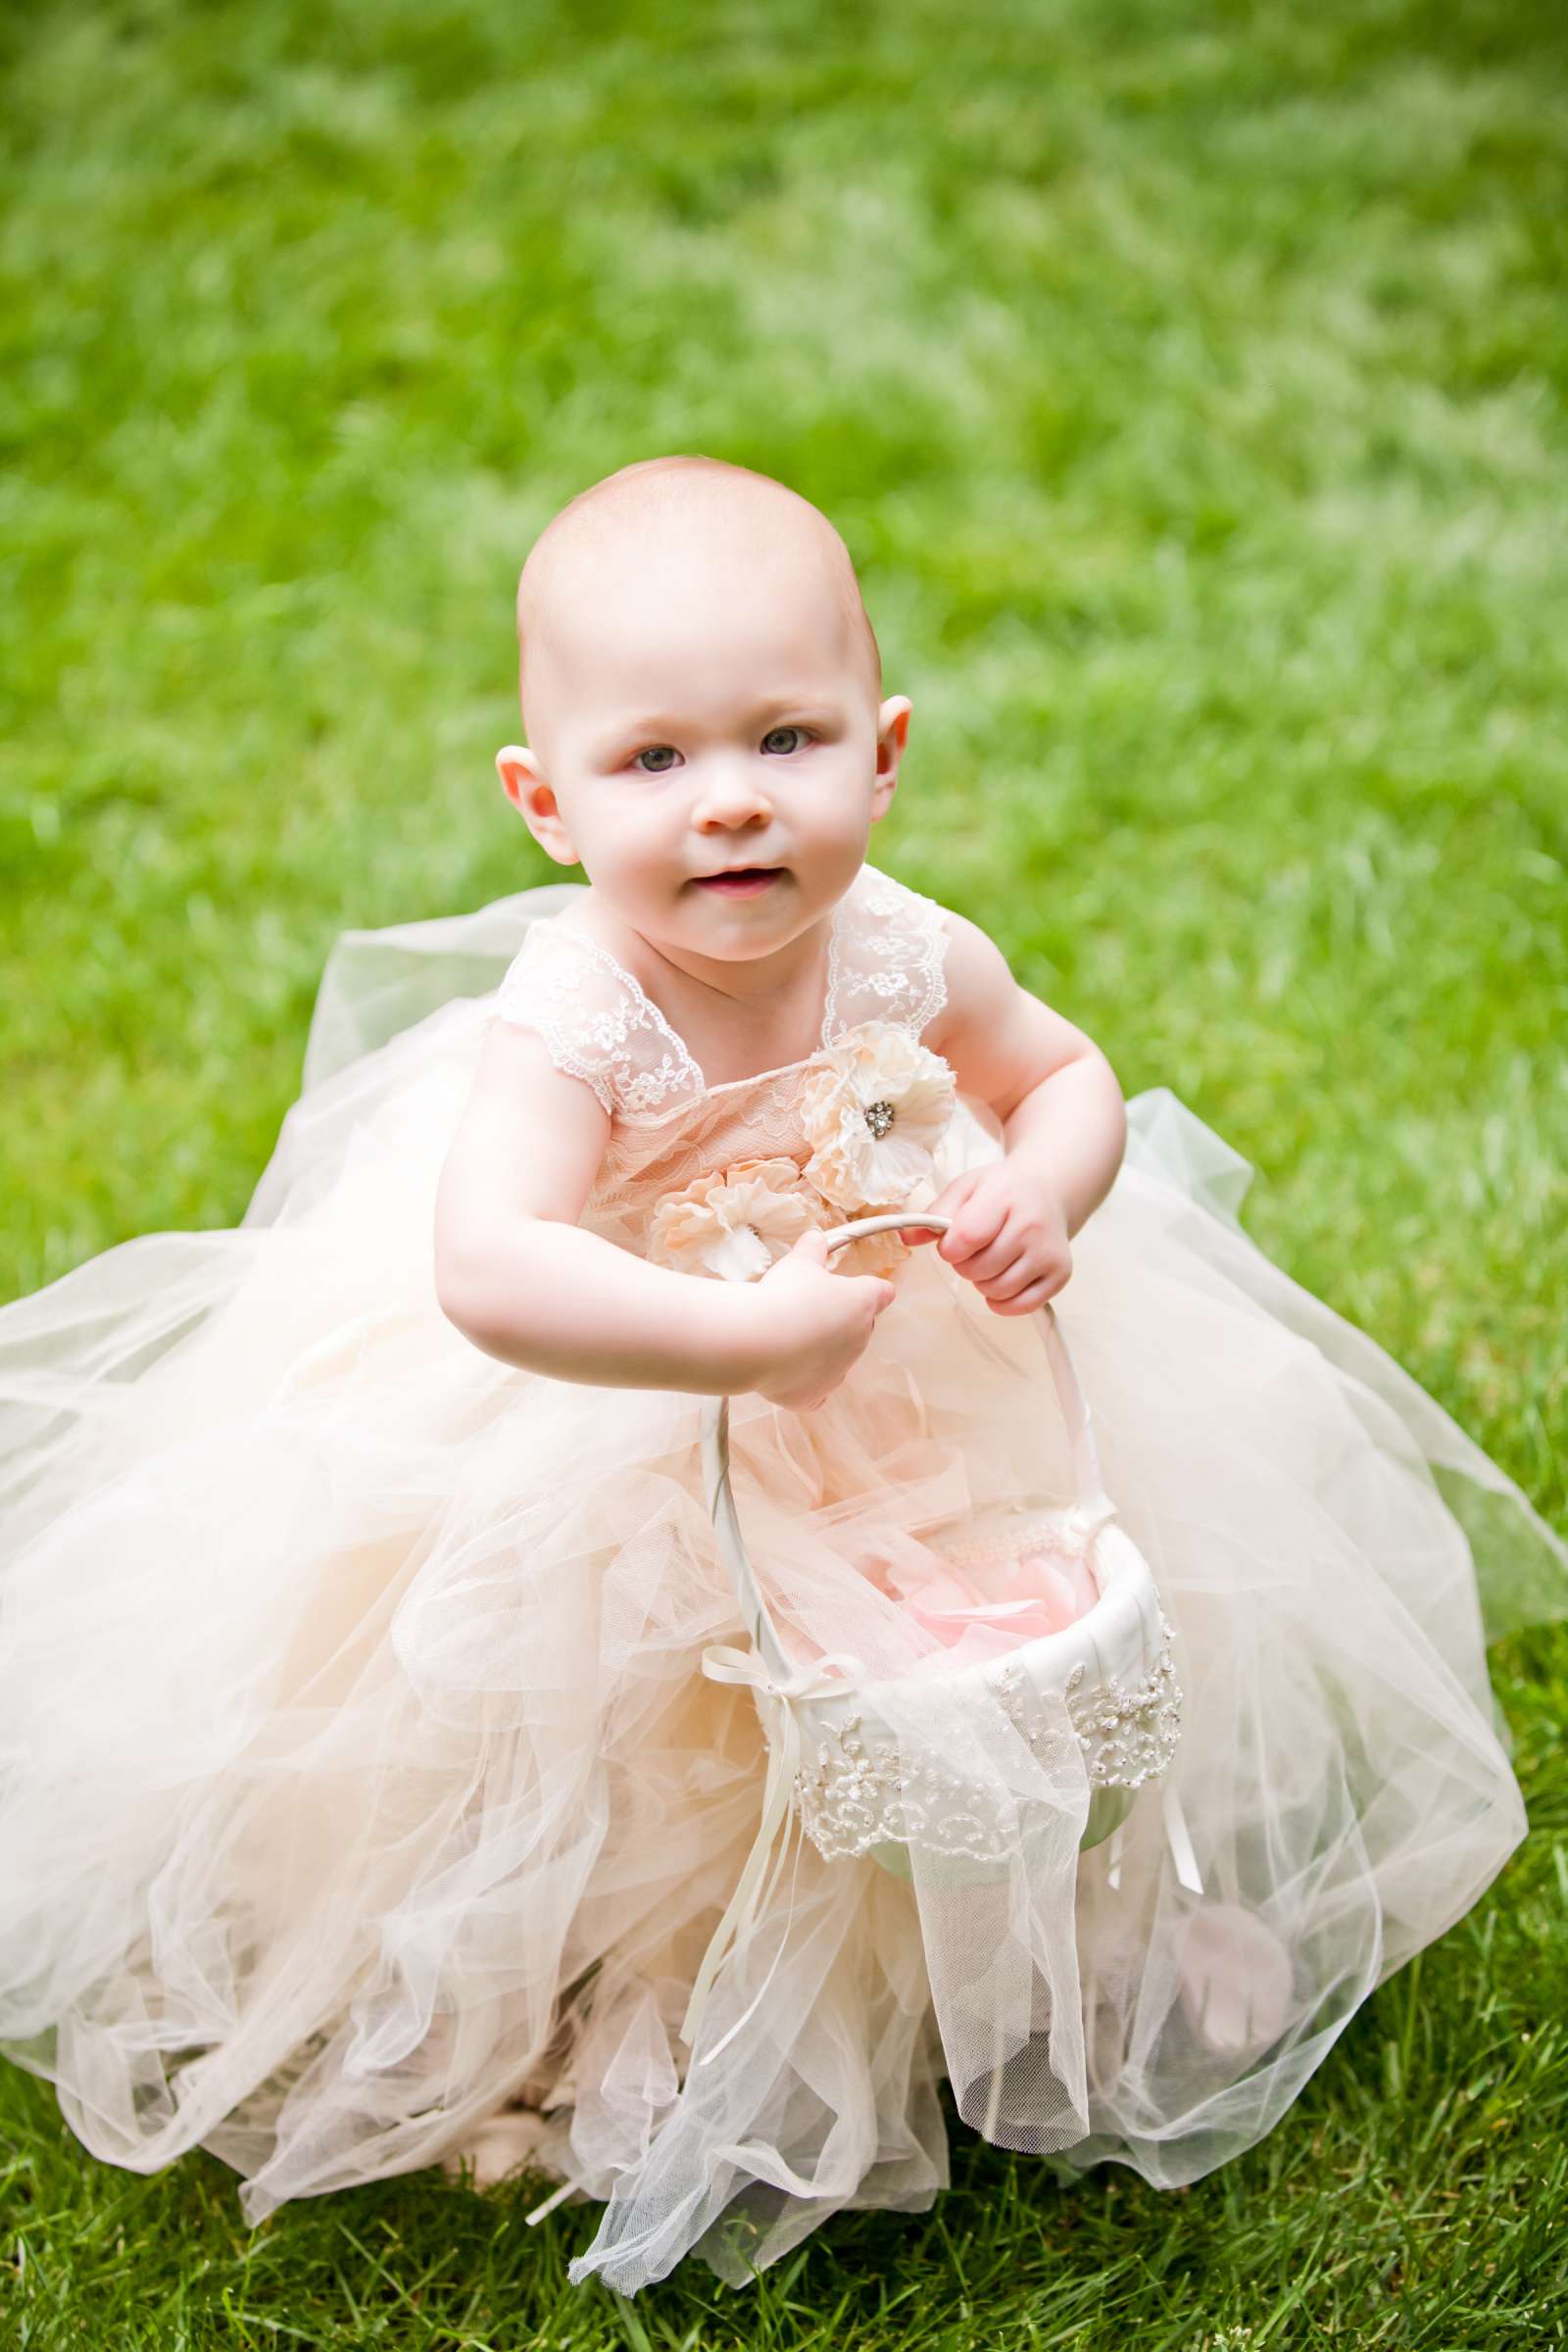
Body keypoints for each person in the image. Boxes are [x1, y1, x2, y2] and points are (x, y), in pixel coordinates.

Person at [1, 456, 1562, 2301]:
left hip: (911, 1377)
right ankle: (610, 2005)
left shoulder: (899, 942)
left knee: (985, 1646)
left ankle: (1077, 1934)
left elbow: (1063, 1076)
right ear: (546, 805)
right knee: (639, 1729)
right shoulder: (580, 1014)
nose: (732, 801)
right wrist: (741, 1344)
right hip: (619, 1407)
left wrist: (1034, 1197)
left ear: (882, 752)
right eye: (653, 761)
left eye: (788, 739)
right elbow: (492, 1265)